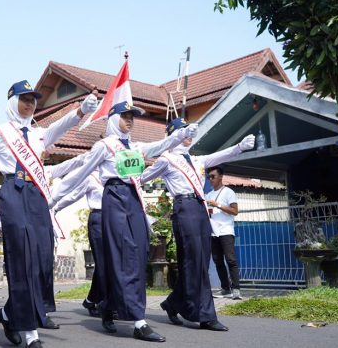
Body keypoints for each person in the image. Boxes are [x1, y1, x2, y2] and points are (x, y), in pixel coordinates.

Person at [0, 80, 98, 348]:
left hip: (37, 196)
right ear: (12, 102)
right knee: (22, 259)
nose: (30, 104)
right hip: (13, 192)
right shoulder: (1, 132)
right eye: (24, 99)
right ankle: (31, 332)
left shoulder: (40, 133)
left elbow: (59, 127)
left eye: (33, 100)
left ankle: (8, 313)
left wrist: (80, 111)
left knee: (41, 260)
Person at [50, 101, 196, 343]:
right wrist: (54, 199)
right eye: (125, 116)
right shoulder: (104, 146)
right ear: (112, 119)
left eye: (132, 116)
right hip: (114, 199)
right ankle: (139, 321)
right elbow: (82, 173)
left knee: (138, 257)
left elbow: (161, 145)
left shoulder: (136, 147)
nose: (130, 120)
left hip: (133, 201)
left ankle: (108, 306)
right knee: (120, 258)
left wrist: (181, 134)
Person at [140, 118, 254, 332]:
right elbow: (141, 179)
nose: (189, 134)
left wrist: (239, 147)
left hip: (200, 209)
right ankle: (206, 316)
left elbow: (220, 155)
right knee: (194, 261)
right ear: (174, 136)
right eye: (183, 131)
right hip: (184, 208)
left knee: (199, 262)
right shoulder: (167, 159)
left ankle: (173, 303)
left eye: (189, 131)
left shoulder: (197, 160)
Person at [53, 167, 104, 317]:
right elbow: (73, 195)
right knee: (103, 264)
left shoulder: (115, 176)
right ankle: (99, 301)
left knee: (112, 264)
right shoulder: (91, 177)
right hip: (98, 219)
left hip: (115, 219)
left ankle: (93, 300)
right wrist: (55, 207)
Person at [205, 166, 242, 300]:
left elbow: (235, 211)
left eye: (213, 176)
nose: (210, 179)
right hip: (213, 232)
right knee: (217, 261)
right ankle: (225, 288)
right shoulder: (208, 195)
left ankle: (236, 289)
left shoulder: (228, 192)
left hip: (226, 230)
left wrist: (218, 205)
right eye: (209, 177)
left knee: (230, 260)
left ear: (221, 176)